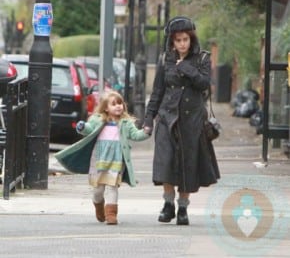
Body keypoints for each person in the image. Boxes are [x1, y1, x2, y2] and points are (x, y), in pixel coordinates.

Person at [143, 16, 220, 225]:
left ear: (191, 39)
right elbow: (158, 91)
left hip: (192, 120)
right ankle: (168, 204)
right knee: (165, 161)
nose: (182, 44)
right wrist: (149, 118)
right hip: (167, 117)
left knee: (189, 163)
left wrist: (185, 67)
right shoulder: (165, 59)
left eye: (185, 39)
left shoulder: (202, 58)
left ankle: (183, 207)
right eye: (178, 40)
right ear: (172, 41)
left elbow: (204, 83)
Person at [55, 91, 151, 225]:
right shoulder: (98, 120)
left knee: (113, 187)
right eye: (114, 104)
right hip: (99, 159)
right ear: (106, 108)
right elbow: (89, 129)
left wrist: (146, 132)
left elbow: (135, 135)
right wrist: (82, 127)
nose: (118, 106)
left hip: (116, 160)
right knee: (98, 190)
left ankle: (111, 214)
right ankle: (99, 205)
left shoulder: (126, 123)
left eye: (120, 104)